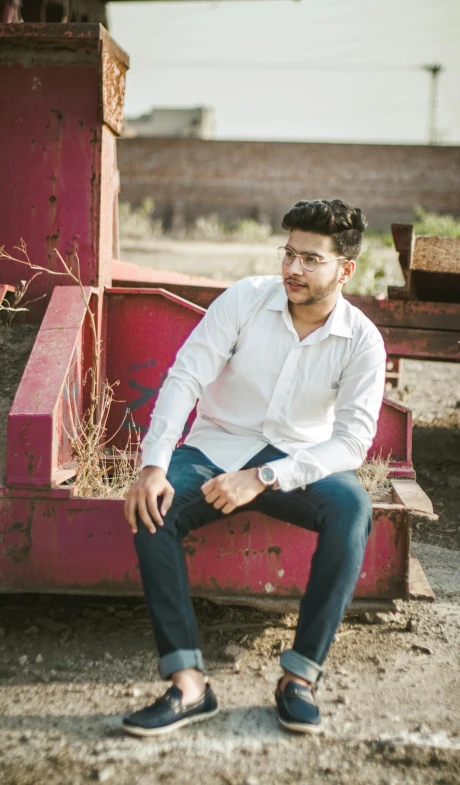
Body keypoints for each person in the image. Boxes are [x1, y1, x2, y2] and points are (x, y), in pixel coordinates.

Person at [122, 199, 386, 737]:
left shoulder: (362, 340)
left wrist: (266, 477)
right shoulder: (245, 298)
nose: (292, 268)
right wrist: (154, 463)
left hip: (298, 461)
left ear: (345, 270)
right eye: (289, 253)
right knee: (155, 506)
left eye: (311, 259)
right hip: (217, 447)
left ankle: (300, 679)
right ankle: (188, 683)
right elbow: (185, 377)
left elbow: (353, 441)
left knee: (352, 506)